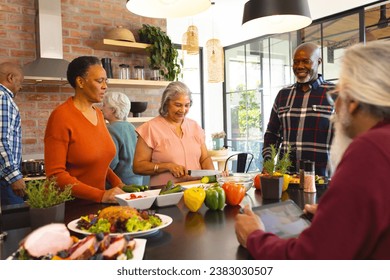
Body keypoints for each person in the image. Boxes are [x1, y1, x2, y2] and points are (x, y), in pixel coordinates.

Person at [235, 40, 390, 259]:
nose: (335, 105)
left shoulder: (368, 151)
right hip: (287, 181)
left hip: (320, 183)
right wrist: (338, 215)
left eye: (338, 96)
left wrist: (254, 235)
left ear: (354, 100)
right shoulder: (381, 143)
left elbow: (310, 258)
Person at [44, 56, 125, 203]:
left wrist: (117, 183)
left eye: (106, 81)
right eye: (99, 81)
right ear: (80, 82)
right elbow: (55, 175)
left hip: (94, 204)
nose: (105, 86)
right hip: (69, 206)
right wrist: (101, 195)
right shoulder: (61, 117)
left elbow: (98, 163)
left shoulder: (99, 114)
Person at [262, 42, 335, 177]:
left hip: (322, 179)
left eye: (306, 61)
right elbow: (272, 134)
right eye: (296, 62)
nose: (300, 66)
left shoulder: (336, 93)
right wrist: (268, 162)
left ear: (318, 62)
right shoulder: (283, 95)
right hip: (285, 178)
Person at [133, 81, 215, 186]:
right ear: (166, 103)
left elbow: (205, 158)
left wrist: (213, 177)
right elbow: (138, 167)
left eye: (187, 105)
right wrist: (167, 166)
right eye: (178, 105)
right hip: (164, 193)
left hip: (197, 190)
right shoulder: (150, 128)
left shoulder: (195, 126)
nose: (182, 110)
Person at [102, 91, 143, 186]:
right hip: (137, 184)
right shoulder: (131, 127)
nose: (101, 108)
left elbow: (111, 164)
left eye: (104, 105)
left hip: (119, 187)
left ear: (113, 109)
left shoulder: (111, 130)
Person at [0, 62, 26, 205]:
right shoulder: (3, 97)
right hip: (5, 179)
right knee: (16, 224)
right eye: (20, 82)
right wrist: (14, 176)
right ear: (10, 78)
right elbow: (1, 140)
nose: (20, 87)